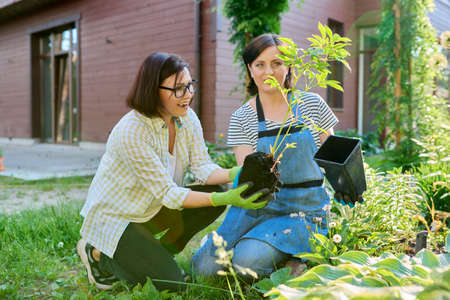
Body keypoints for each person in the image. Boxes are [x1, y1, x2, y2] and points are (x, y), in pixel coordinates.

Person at [77, 52, 270, 292]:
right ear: (152, 89)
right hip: (118, 219)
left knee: (214, 192)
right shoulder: (131, 131)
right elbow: (169, 193)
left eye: (190, 85)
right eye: (178, 88)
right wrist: (227, 198)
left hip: (151, 208)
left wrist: (237, 172)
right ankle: (97, 253)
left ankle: (154, 256)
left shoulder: (186, 117)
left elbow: (202, 166)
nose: (188, 94)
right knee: (174, 285)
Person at [192, 34, 338, 278]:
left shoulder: (312, 103)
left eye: (277, 63)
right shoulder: (242, 117)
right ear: (250, 69)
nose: (268, 71)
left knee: (245, 262)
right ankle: (247, 243)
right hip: (260, 204)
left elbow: (335, 158)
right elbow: (251, 181)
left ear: (289, 66)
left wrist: (348, 182)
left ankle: (289, 259)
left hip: (306, 210)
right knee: (203, 269)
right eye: (260, 64)